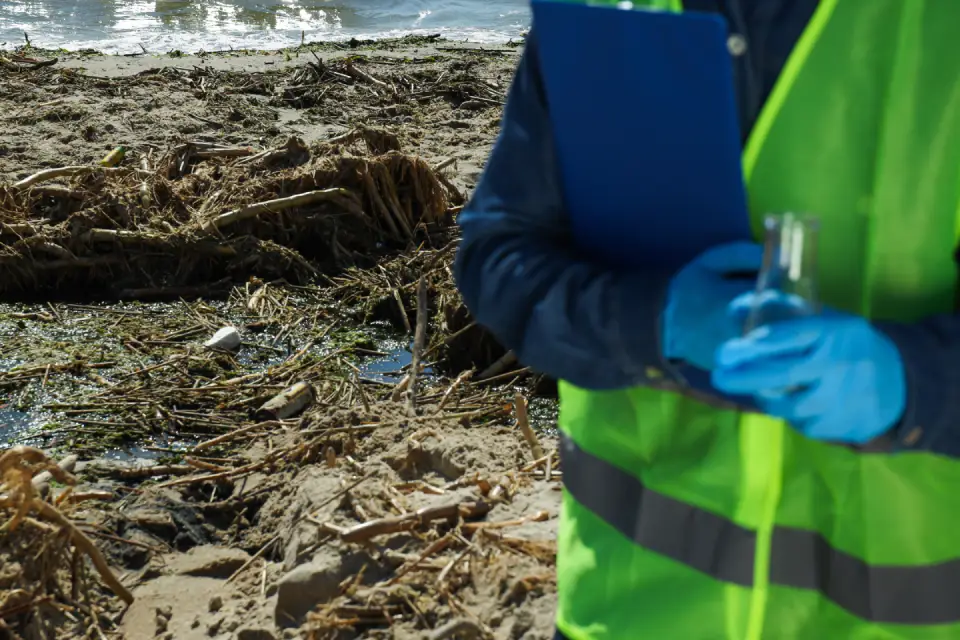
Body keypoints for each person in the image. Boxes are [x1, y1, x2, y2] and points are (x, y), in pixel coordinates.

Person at [454, 0, 960, 638]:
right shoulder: (601, 15)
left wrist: (918, 383)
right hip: (629, 612)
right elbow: (498, 256)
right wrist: (652, 321)